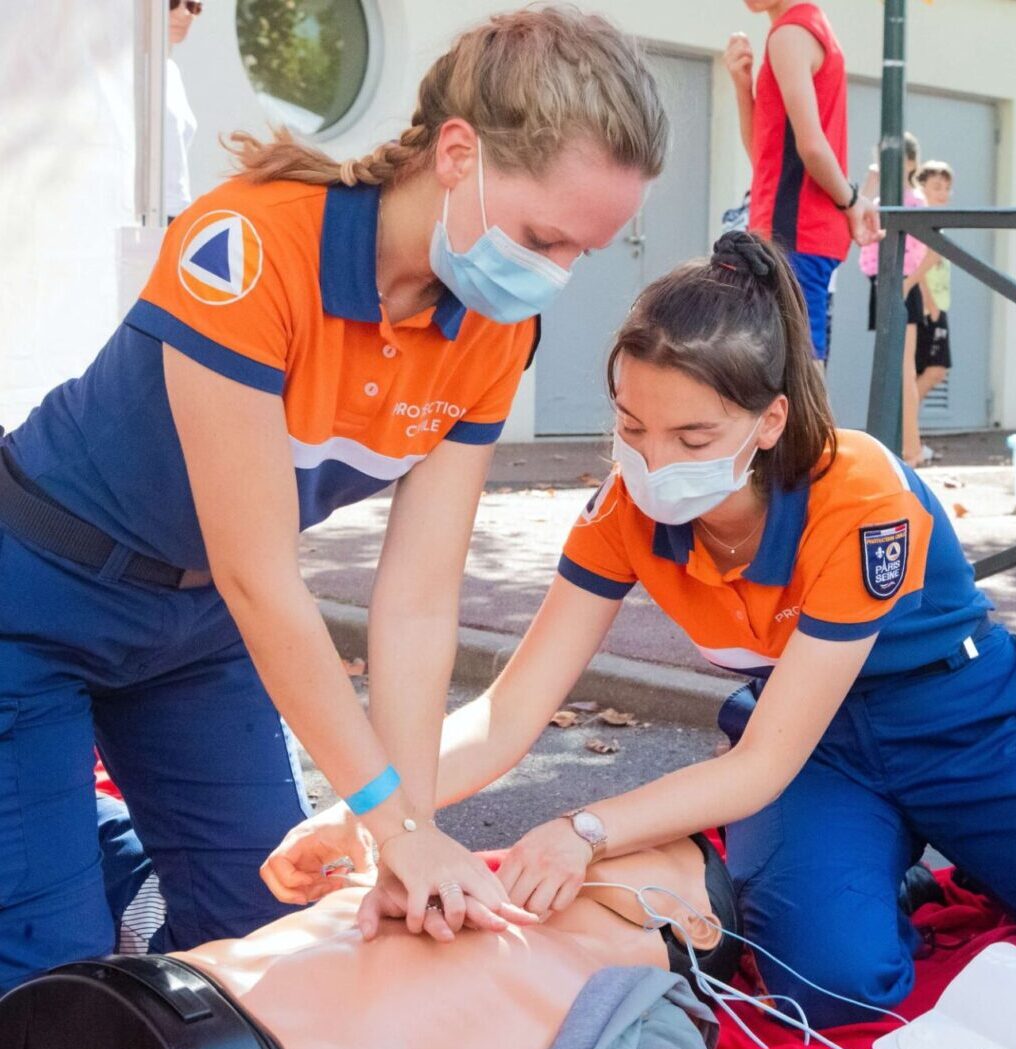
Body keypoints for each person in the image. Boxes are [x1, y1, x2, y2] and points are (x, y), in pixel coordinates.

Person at [0, 7, 668, 991]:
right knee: (49, 975)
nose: (552, 279)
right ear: (456, 152)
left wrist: (406, 833)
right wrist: (389, 824)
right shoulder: (250, 246)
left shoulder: (491, 330)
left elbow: (417, 601)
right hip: (37, 604)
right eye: (541, 238)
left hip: (197, 630)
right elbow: (262, 576)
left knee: (272, 933)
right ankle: (75, 845)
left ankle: (97, 851)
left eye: (582, 254)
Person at [268, 230, 1016, 1030]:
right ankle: (890, 872)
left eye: (693, 438)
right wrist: (374, 811)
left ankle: (948, 848)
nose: (654, 463)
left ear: (770, 422)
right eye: (631, 429)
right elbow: (509, 712)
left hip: (964, 726)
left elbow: (761, 763)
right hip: (823, 752)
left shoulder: (858, 493)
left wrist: (583, 830)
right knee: (832, 985)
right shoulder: (623, 511)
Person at [1, 836, 734, 1049]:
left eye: (639, 847)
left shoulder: (647, 1013)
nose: (566, 846)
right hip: (102, 1006)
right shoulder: (426, 881)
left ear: (697, 924)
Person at [723, 0, 880, 367]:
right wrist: (742, 86)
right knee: (794, 365)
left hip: (792, 232)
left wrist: (853, 201)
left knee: (795, 371)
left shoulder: (790, 34)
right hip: (800, 233)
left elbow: (811, 146)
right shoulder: (806, 27)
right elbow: (767, 155)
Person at [860, 132, 929, 466]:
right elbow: (859, 227)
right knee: (889, 366)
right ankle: (899, 448)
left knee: (904, 368)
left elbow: (926, 251)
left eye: (899, 158)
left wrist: (907, 285)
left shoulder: (914, 199)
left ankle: (911, 449)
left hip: (903, 283)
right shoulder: (878, 198)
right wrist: (869, 186)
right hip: (881, 280)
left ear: (912, 162)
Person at [913, 161, 955, 405]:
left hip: (937, 305)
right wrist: (930, 303)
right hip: (929, 308)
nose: (943, 193)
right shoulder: (922, 226)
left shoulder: (936, 226)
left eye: (947, 188)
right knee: (935, 370)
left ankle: (910, 435)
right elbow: (917, 267)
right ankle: (903, 423)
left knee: (927, 371)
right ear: (922, 188)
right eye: (937, 187)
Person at [165, 0, 202, 223]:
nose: (185, 14)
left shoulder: (171, 71)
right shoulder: (127, 68)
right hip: (136, 214)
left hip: (175, 213)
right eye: (172, 3)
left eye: (193, 6)